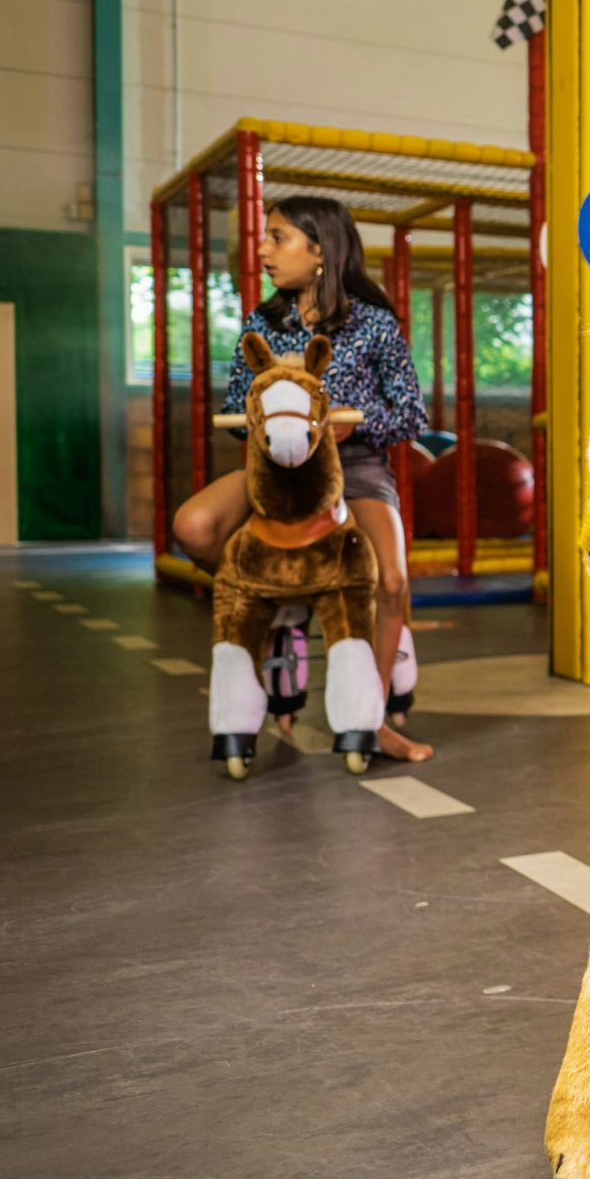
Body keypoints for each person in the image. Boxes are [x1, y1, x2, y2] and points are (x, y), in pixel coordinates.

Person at [172, 195, 433, 763]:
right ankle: (282, 601)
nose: (263, 250)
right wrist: (274, 425)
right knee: (194, 526)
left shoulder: (374, 323)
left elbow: (412, 415)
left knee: (391, 579)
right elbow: (235, 409)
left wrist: (349, 424)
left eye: (278, 237)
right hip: (275, 472)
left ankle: (374, 718)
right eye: (266, 237)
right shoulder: (261, 323)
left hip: (353, 466)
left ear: (320, 250)